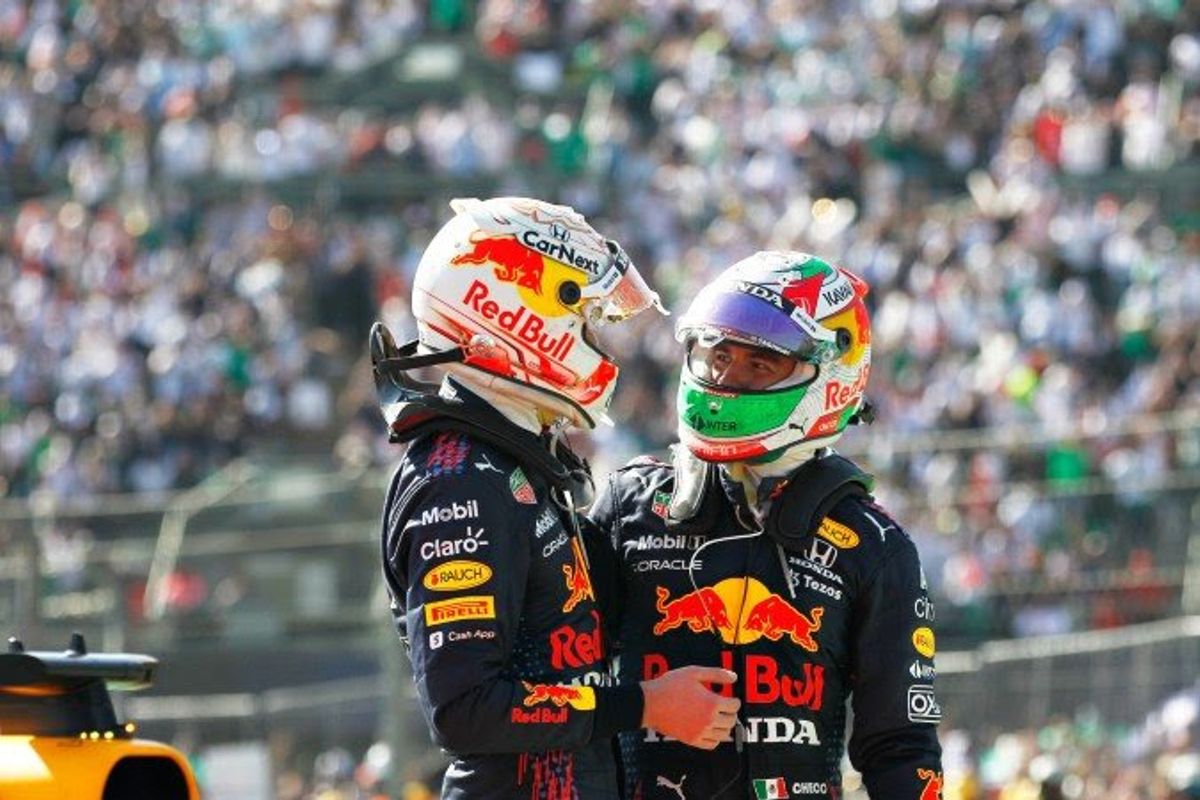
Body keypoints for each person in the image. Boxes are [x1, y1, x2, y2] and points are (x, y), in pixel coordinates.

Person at [372, 197, 741, 799]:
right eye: (583, 318)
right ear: (515, 313)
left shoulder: (510, 462)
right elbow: (464, 709)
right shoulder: (458, 480)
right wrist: (645, 706)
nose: (595, 339)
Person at [587, 251, 944, 799]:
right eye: (719, 356)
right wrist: (643, 706)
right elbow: (556, 685)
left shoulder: (874, 546)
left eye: (760, 364)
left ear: (830, 378)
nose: (727, 378)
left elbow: (900, 748)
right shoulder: (628, 503)